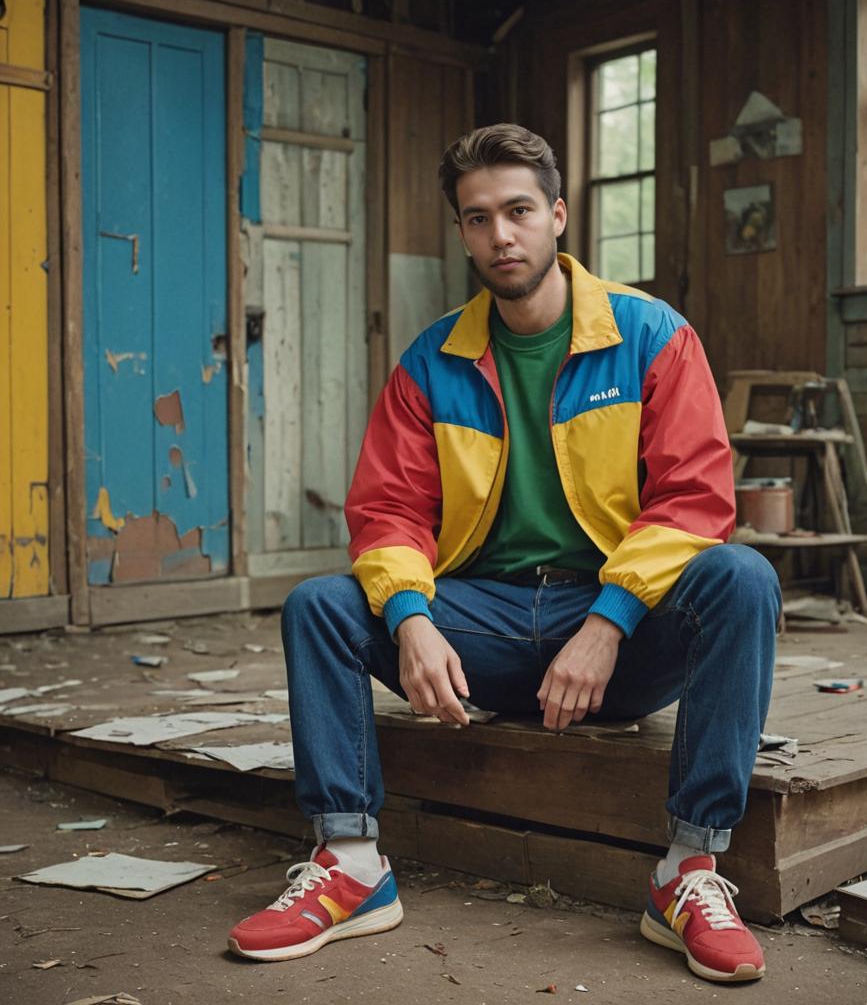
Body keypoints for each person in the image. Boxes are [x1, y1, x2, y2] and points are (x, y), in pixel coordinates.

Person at [228, 124, 780, 983]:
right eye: (478, 218)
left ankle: (689, 871)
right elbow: (388, 511)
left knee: (742, 577)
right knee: (320, 606)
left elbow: (695, 501)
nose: (501, 235)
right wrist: (411, 620)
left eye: (519, 211)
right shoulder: (431, 360)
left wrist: (608, 622)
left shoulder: (651, 336)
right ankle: (352, 865)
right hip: (476, 630)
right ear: (462, 232)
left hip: (615, 637)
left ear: (557, 215)